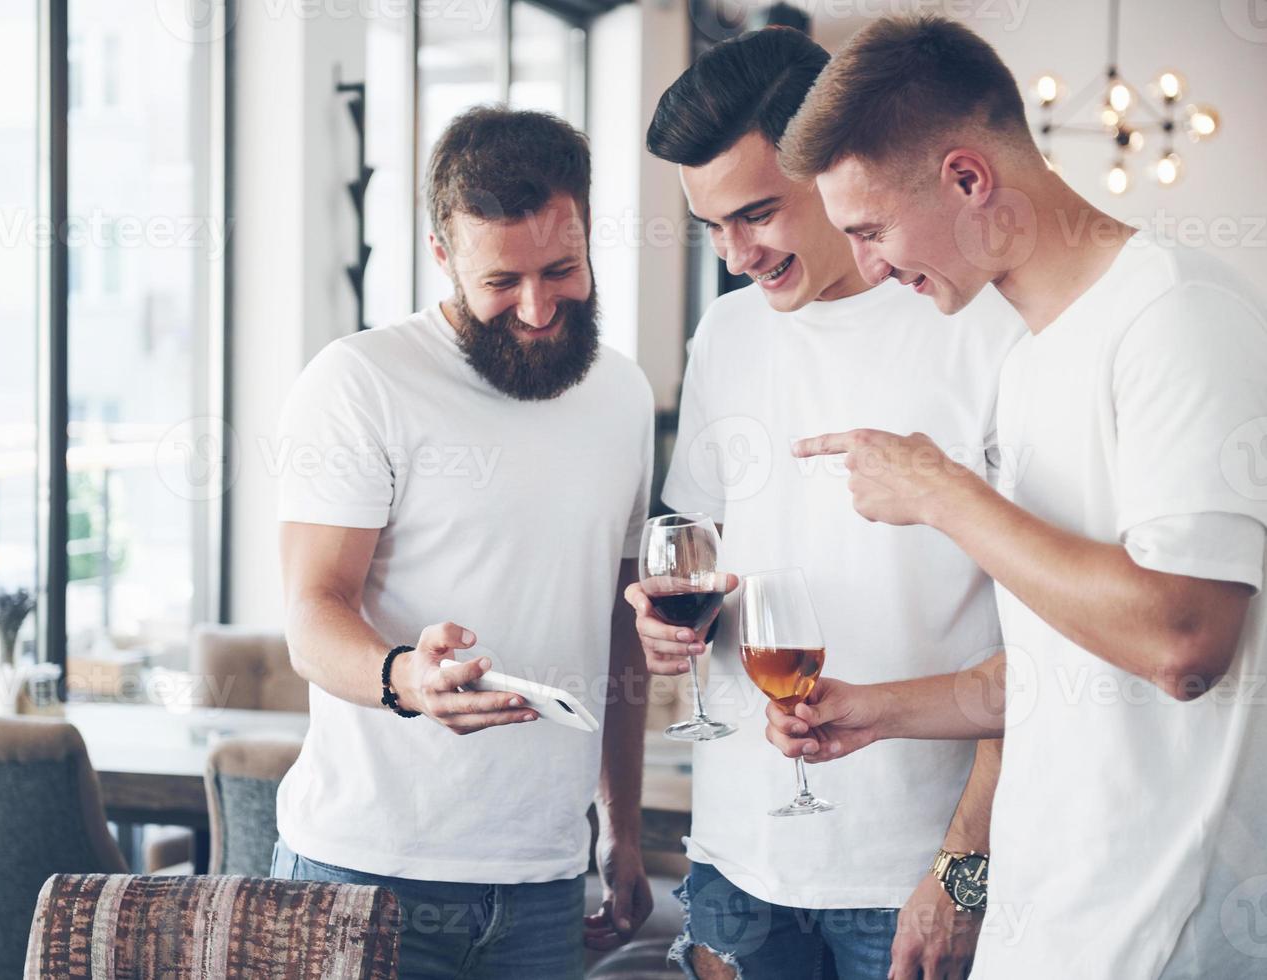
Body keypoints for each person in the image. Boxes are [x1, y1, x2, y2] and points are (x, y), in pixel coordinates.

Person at [769, 15, 1267, 978]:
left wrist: (941, 493)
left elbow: (1182, 642)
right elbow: (1053, 670)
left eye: (870, 230)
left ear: (966, 177)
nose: (867, 266)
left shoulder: (1177, 315)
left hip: (1164, 937)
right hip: (1044, 924)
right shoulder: (1030, 360)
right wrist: (879, 712)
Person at [625, 28, 1024, 980]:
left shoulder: (980, 323)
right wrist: (666, 618)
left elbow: (1048, 647)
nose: (734, 255)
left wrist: (963, 873)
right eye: (712, 227)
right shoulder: (725, 333)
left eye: (756, 213)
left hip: (919, 867)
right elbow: (702, 542)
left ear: (830, 163)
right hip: (735, 857)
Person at [273, 106, 655, 979]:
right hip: (360, 874)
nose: (536, 306)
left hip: (542, 881)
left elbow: (617, 625)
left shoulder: (622, 396)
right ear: (441, 257)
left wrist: (621, 830)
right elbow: (312, 611)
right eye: (501, 281)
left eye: (562, 269)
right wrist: (407, 679)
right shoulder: (361, 380)